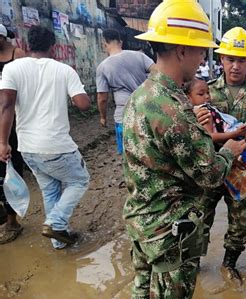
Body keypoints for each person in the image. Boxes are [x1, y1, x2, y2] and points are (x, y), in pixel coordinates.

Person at [122, 1, 246, 299]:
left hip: (140, 217)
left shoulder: (141, 95)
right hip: (169, 230)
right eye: (201, 52)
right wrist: (229, 151)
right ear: (182, 50)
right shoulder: (175, 110)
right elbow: (208, 175)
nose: (203, 60)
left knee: (142, 280)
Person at [0, 26, 90, 250]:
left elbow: (7, 105)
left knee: (50, 189)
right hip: (56, 144)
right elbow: (83, 104)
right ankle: (56, 223)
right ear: (52, 46)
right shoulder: (64, 70)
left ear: (28, 44)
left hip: (28, 147)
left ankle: (58, 242)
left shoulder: (12, 69)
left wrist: (3, 142)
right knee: (80, 180)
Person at [199, 26, 246, 286]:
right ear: (221, 59)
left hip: (244, 171)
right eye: (230, 59)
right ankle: (194, 262)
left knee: (241, 220)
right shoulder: (204, 92)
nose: (235, 66)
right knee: (200, 216)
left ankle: (229, 264)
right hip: (211, 167)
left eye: (241, 60)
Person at [96, 28, 155, 155]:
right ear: (120, 42)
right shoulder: (139, 56)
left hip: (123, 116)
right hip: (146, 111)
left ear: (104, 44)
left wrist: (103, 117)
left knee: (128, 156)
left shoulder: (102, 67)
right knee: (148, 153)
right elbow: (158, 72)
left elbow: (102, 98)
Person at [0, 24, 26, 244]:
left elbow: (21, 92)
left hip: (12, 120)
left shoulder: (18, 56)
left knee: (10, 166)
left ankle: (12, 221)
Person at [184, 78, 246, 144]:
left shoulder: (206, 107)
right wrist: (235, 133)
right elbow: (210, 137)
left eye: (208, 92)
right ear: (188, 98)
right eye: (201, 94)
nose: (207, 96)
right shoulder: (203, 111)